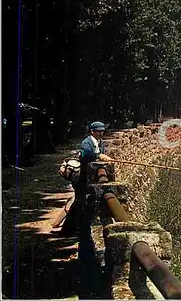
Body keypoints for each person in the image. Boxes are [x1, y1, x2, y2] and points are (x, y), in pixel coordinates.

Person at [68, 121, 114, 297]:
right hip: (83, 182)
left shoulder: (100, 142)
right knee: (83, 202)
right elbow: (87, 156)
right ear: (92, 131)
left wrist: (102, 156)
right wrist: (99, 157)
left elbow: (100, 153)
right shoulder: (87, 143)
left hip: (91, 181)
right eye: (99, 132)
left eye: (102, 132)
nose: (101, 134)